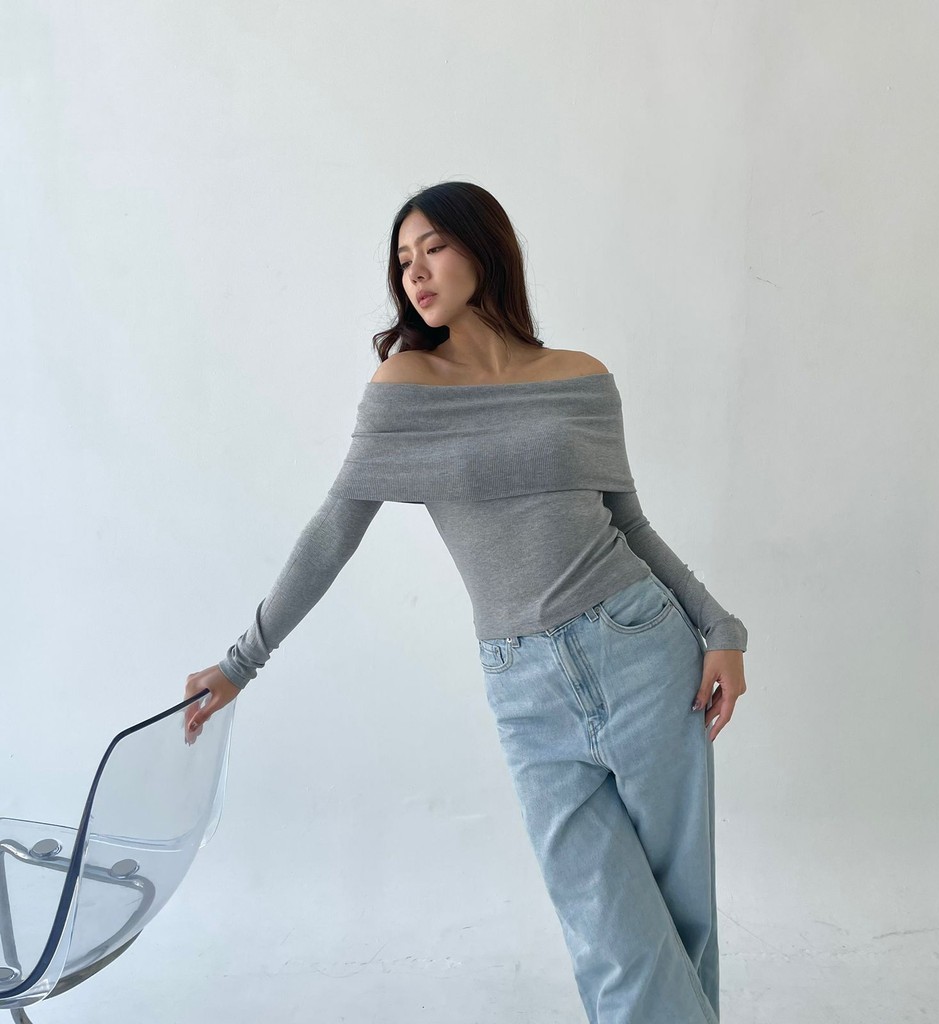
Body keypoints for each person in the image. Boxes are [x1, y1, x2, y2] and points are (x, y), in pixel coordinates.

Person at [183, 181, 748, 1023]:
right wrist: (241, 663)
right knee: (612, 937)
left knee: (681, 917)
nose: (414, 273)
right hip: (526, 691)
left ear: (484, 249)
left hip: (641, 649)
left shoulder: (581, 377)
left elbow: (628, 523)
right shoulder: (405, 386)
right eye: (402, 260)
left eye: (434, 248)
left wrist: (719, 627)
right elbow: (333, 531)